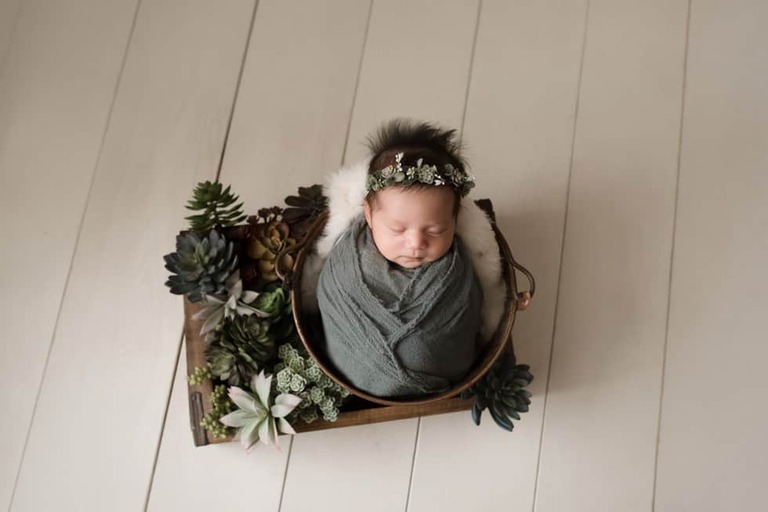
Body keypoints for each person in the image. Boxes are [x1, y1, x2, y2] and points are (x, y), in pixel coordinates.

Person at [315, 119, 498, 399]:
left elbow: (472, 322)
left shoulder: (459, 275)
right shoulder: (344, 268)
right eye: (397, 229)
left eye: (436, 230)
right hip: (349, 380)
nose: (415, 243)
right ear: (369, 214)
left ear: (455, 219)